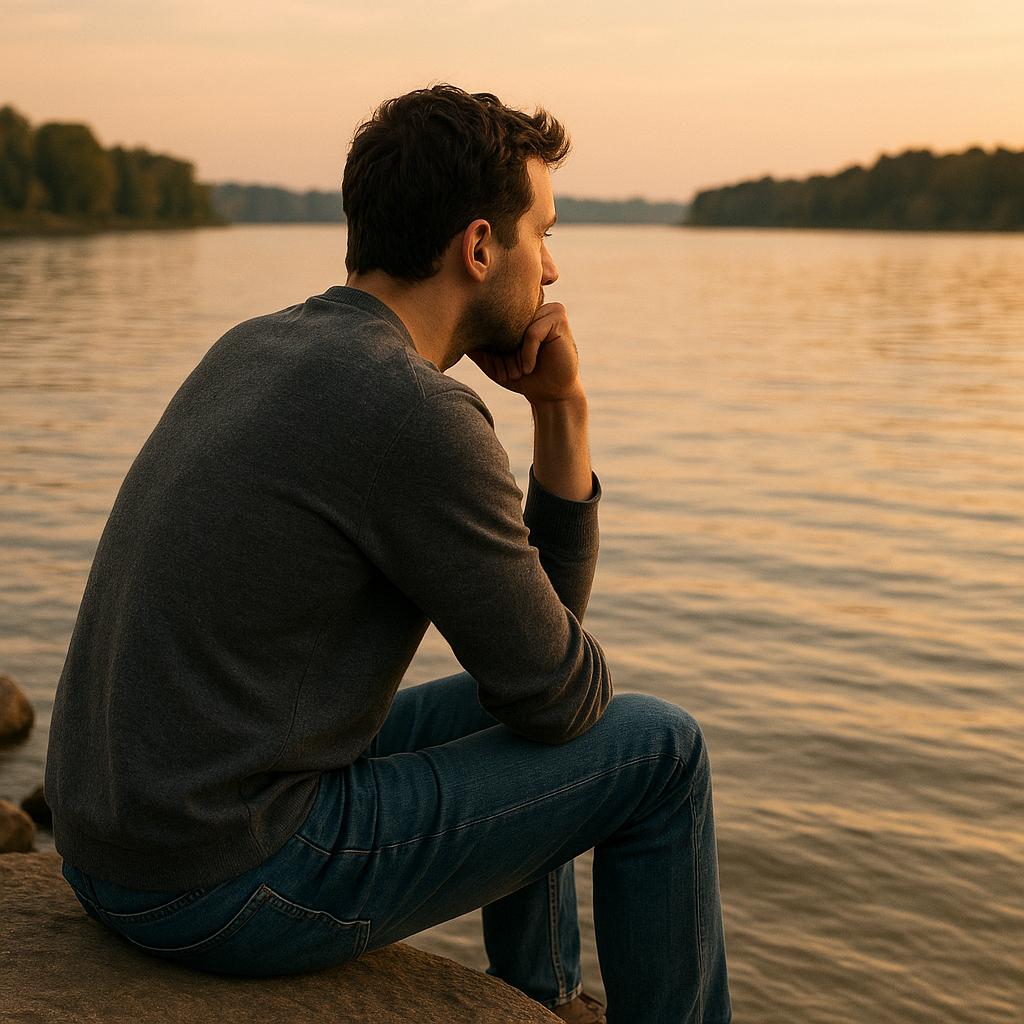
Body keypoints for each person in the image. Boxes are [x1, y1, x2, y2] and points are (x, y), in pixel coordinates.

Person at [45, 83, 732, 1024]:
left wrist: (548, 414)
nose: (554, 268)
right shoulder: (412, 412)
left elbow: (538, 677)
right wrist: (566, 410)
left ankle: (538, 1001)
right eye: (543, 233)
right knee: (661, 749)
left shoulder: (254, 344)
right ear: (481, 247)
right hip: (218, 882)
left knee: (517, 717)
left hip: (110, 847)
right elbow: (561, 690)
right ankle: (555, 997)